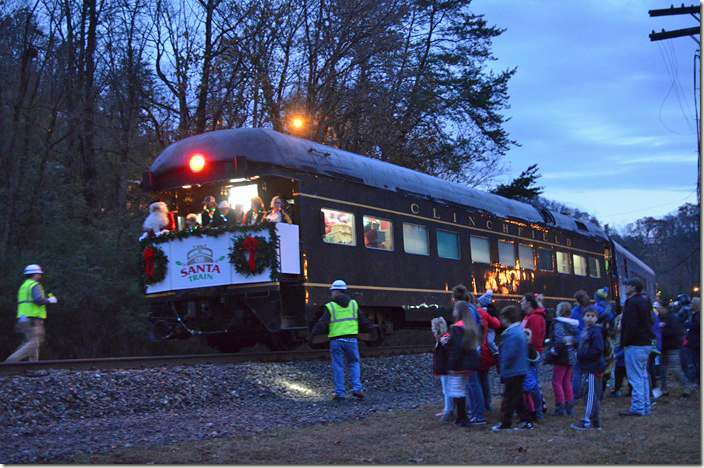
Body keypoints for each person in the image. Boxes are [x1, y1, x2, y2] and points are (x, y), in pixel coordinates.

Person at [308, 280, 372, 400]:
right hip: (352, 340)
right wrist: (370, 329)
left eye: (332, 291)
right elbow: (362, 319)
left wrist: (312, 335)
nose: (331, 293)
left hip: (336, 341)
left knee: (338, 366)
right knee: (354, 363)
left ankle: (340, 393)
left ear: (337, 291)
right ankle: (357, 388)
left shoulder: (330, 306)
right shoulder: (353, 304)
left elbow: (322, 323)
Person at [5, 264, 58, 362]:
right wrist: (50, 300)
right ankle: (10, 362)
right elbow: (38, 300)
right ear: (34, 274)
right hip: (33, 318)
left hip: (23, 318)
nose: (40, 276)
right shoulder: (34, 285)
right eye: (39, 273)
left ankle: (33, 365)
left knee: (30, 342)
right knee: (34, 343)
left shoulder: (24, 286)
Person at [492, 304, 533, 432]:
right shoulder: (519, 331)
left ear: (506, 318)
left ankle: (505, 422)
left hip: (513, 371)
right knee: (517, 396)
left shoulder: (511, 334)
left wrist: (503, 369)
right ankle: (525, 420)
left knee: (509, 398)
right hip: (519, 370)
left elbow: (509, 355)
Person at [619, 277, 655, 417]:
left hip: (635, 344)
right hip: (645, 343)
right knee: (643, 376)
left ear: (633, 287)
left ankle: (638, 407)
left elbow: (630, 325)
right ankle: (645, 405)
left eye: (627, 286)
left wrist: (625, 341)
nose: (625, 288)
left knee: (635, 377)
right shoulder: (645, 301)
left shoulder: (632, 303)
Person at [450, 284, 485, 425]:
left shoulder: (467, 311)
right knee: (472, 384)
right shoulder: (473, 309)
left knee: (472, 384)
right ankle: (475, 413)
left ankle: (477, 414)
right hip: (473, 349)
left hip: (469, 351)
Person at [444, 300, 481, 427]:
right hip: (469, 363)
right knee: (462, 390)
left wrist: (451, 366)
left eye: (454, 309)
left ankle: (462, 418)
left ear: (458, 312)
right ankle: (465, 416)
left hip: (460, 364)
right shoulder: (469, 326)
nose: (453, 311)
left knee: (457, 391)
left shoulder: (457, 327)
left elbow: (457, 349)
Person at [570, 306, 605, 430]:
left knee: (589, 394)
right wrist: (575, 344)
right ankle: (595, 422)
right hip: (589, 366)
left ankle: (586, 421)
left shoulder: (595, 331)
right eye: (588, 315)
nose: (590, 318)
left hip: (593, 367)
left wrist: (581, 354)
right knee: (591, 393)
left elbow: (598, 349)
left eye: (592, 316)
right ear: (583, 317)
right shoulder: (586, 330)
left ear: (596, 318)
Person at [546, 301, 579, 416]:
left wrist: (553, 351)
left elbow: (559, 339)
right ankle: (570, 406)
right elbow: (573, 340)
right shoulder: (573, 325)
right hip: (570, 355)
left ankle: (560, 406)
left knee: (556, 381)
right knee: (566, 381)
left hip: (561, 356)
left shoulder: (559, 323)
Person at [656, 300, 694, 397]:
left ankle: (687, 387)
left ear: (664, 308)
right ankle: (664, 389)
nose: (658, 309)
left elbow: (675, 332)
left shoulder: (672, 318)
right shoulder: (660, 318)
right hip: (663, 347)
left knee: (676, 369)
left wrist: (661, 331)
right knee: (662, 370)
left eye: (659, 307)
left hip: (673, 347)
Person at [520, 293, 546, 421]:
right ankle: (532, 409)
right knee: (530, 382)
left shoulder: (535, 318)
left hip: (531, 354)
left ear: (529, 303)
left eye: (523, 301)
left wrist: (529, 354)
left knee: (532, 383)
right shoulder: (528, 316)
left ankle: (538, 411)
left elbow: (534, 339)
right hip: (527, 352)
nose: (521, 303)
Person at [477, 290, 500, 412]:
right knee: (484, 379)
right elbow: (496, 324)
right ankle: (488, 404)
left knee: (476, 381)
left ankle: (480, 406)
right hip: (486, 354)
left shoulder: (478, 313)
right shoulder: (488, 315)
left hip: (480, 353)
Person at [571, 289, 591, 400]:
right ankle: (587, 391)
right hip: (589, 341)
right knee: (589, 370)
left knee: (577, 371)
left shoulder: (574, 312)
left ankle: (575, 394)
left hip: (579, 343)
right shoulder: (589, 312)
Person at [432, 317, 453, 421]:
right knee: (446, 390)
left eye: (433, 327)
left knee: (447, 390)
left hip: (445, 369)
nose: (431, 329)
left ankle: (448, 410)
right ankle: (447, 409)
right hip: (444, 368)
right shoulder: (443, 338)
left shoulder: (444, 339)